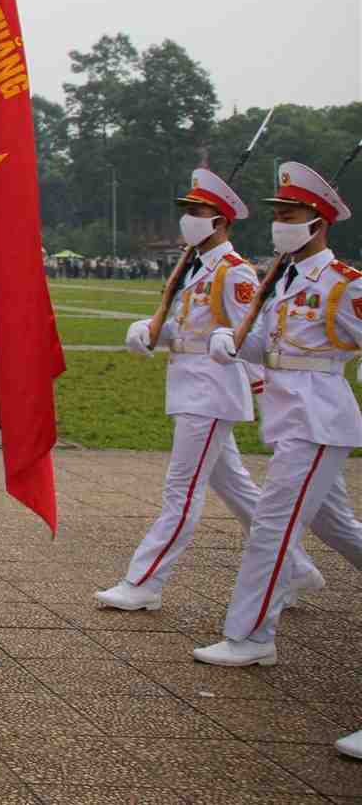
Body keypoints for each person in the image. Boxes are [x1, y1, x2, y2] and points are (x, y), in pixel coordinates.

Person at [97, 169, 319, 611]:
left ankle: (144, 582)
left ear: (220, 221)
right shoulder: (196, 266)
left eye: (197, 213)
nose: (188, 220)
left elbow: (249, 336)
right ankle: (293, 566)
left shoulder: (234, 273)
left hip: (211, 392)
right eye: (188, 212)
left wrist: (264, 392)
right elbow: (187, 327)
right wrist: (148, 331)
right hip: (193, 386)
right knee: (236, 489)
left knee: (181, 491)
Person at [195, 159, 362, 668]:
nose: (280, 224)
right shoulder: (282, 280)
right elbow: (267, 344)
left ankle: (250, 636)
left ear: (318, 223)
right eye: (280, 214)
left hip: (318, 418)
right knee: (337, 528)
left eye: (290, 215)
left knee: (271, 524)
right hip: (290, 416)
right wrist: (231, 342)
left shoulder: (344, 282)